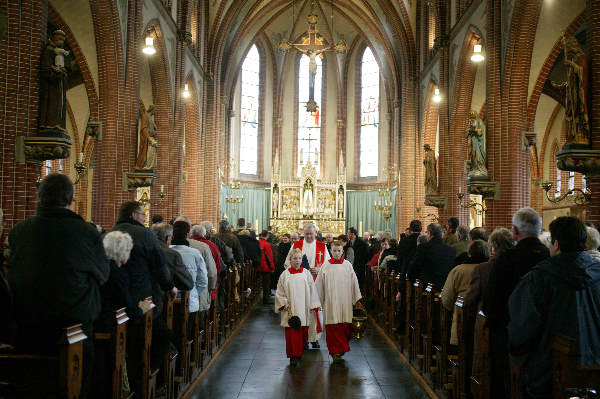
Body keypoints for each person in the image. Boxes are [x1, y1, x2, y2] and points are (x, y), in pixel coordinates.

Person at [8, 173, 110, 398]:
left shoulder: (19, 231)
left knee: (32, 389)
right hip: (74, 329)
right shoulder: (86, 232)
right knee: (75, 389)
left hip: (29, 326)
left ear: (38, 196)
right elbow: (103, 275)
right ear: (72, 199)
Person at [509, 216, 600, 398]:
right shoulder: (597, 272)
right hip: (595, 367)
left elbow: (522, 326)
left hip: (548, 372)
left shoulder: (538, 277)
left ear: (556, 244)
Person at [110, 201, 177, 394]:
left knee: (124, 343)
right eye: (142, 215)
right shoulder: (145, 234)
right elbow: (159, 264)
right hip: (141, 301)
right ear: (133, 215)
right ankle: (148, 377)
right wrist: (169, 287)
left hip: (115, 302)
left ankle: (125, 383)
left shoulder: (108, 233)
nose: (144, 218)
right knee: (163, 335)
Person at [483, 207, 549, 399]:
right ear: (539, 229)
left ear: (515, 231)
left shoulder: (506, 259)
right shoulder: (550, 257)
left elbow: (491, 303)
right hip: (544, 340)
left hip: (509, 335)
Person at [463, 227, 515, 391]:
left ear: (493, 246)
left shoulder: (483, 269)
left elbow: (470, 301)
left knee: (490, 367)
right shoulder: (518, 265)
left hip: (490, 326)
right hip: (514, 325)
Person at [315, 241, 363, 363]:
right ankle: (334, 351)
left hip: (345, 301)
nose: (336, 253)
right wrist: (317, 301)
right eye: (334, 251)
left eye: (339, 251)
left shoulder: (347, 265)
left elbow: (354, 282)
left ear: (343, 252)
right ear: (331, 251)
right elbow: (319, 285)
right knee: (333, 327)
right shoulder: (325, 266)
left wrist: (357, 298)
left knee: (345, 327)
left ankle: (340, 348)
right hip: (331, 301)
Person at [285, 223, 330, 348]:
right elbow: (287, 262)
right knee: (302, 310)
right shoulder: (297, 245)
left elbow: (328, 264)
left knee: (316, 311)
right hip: (300, 285)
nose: (309, 236)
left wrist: (319, 269)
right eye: (306, 234)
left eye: (311, 233)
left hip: (316, 283)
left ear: (315, 233)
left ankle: (314, 338)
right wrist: (298, 268)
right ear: (303, 233)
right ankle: (303, 338)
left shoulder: (322, 246)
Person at [275, 248, 321, 367]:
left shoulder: (306, 273)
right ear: (290, 260)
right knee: (292, 334)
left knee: (302, 333)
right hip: (290, 310)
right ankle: (293, 356)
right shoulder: (285, 275)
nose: (297, 261)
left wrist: (314, 305)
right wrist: (284, 303)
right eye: (294, 258)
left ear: (302, 260)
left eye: (299, 258)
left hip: (304, 309)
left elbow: (312, 290)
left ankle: (299, 353)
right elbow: (279, 292)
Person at [441, 240, 490, 345]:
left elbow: (446, 299)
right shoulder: (491, 269)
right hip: (488, 329)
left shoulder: (458, 271)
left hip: (462, 325)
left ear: (469, 253)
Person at [170, 221, 208, 339]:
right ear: (187, 235)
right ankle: (187, 355)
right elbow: (203, 280)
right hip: (189, 302)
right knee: (186, 334)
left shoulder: (165, 251)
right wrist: (194, 294)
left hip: (167, 301)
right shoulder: (194, 253)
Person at [407, 223, 456, 290]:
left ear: (429, 233)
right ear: (441, 234)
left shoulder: (423, 248)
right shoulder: (451, 250)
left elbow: (413, 268)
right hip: (445, 288)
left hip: (426, 288)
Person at [258, 230, 275, 304]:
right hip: (265, 267)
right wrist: (272, 267)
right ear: (267, 235)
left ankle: (257, 297)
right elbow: (269, 257)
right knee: (266, 284)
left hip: (257, 266)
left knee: (257, 283)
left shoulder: (257, 242)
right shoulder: (267, 244)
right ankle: (266, 299)